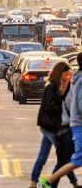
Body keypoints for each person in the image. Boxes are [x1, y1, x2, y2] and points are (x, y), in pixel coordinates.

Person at [30, 60, 79, 188]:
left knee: (43, 157)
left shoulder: (59, 86)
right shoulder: (51, 87)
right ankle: (49, 184)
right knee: (64, 158)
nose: (68, 76)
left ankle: (33, 183)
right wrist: (62, 96)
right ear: (60, 73)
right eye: (66, 73)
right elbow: (51, 107)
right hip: (52, 127)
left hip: (48, 127)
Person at [43, 52, 82, 187]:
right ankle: (47, 183)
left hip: (70, 125)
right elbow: (80, 105)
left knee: (67, 160)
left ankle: (49, 184)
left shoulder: (74, 80)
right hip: (72, 126)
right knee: (71, 160)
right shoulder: (77, 81)